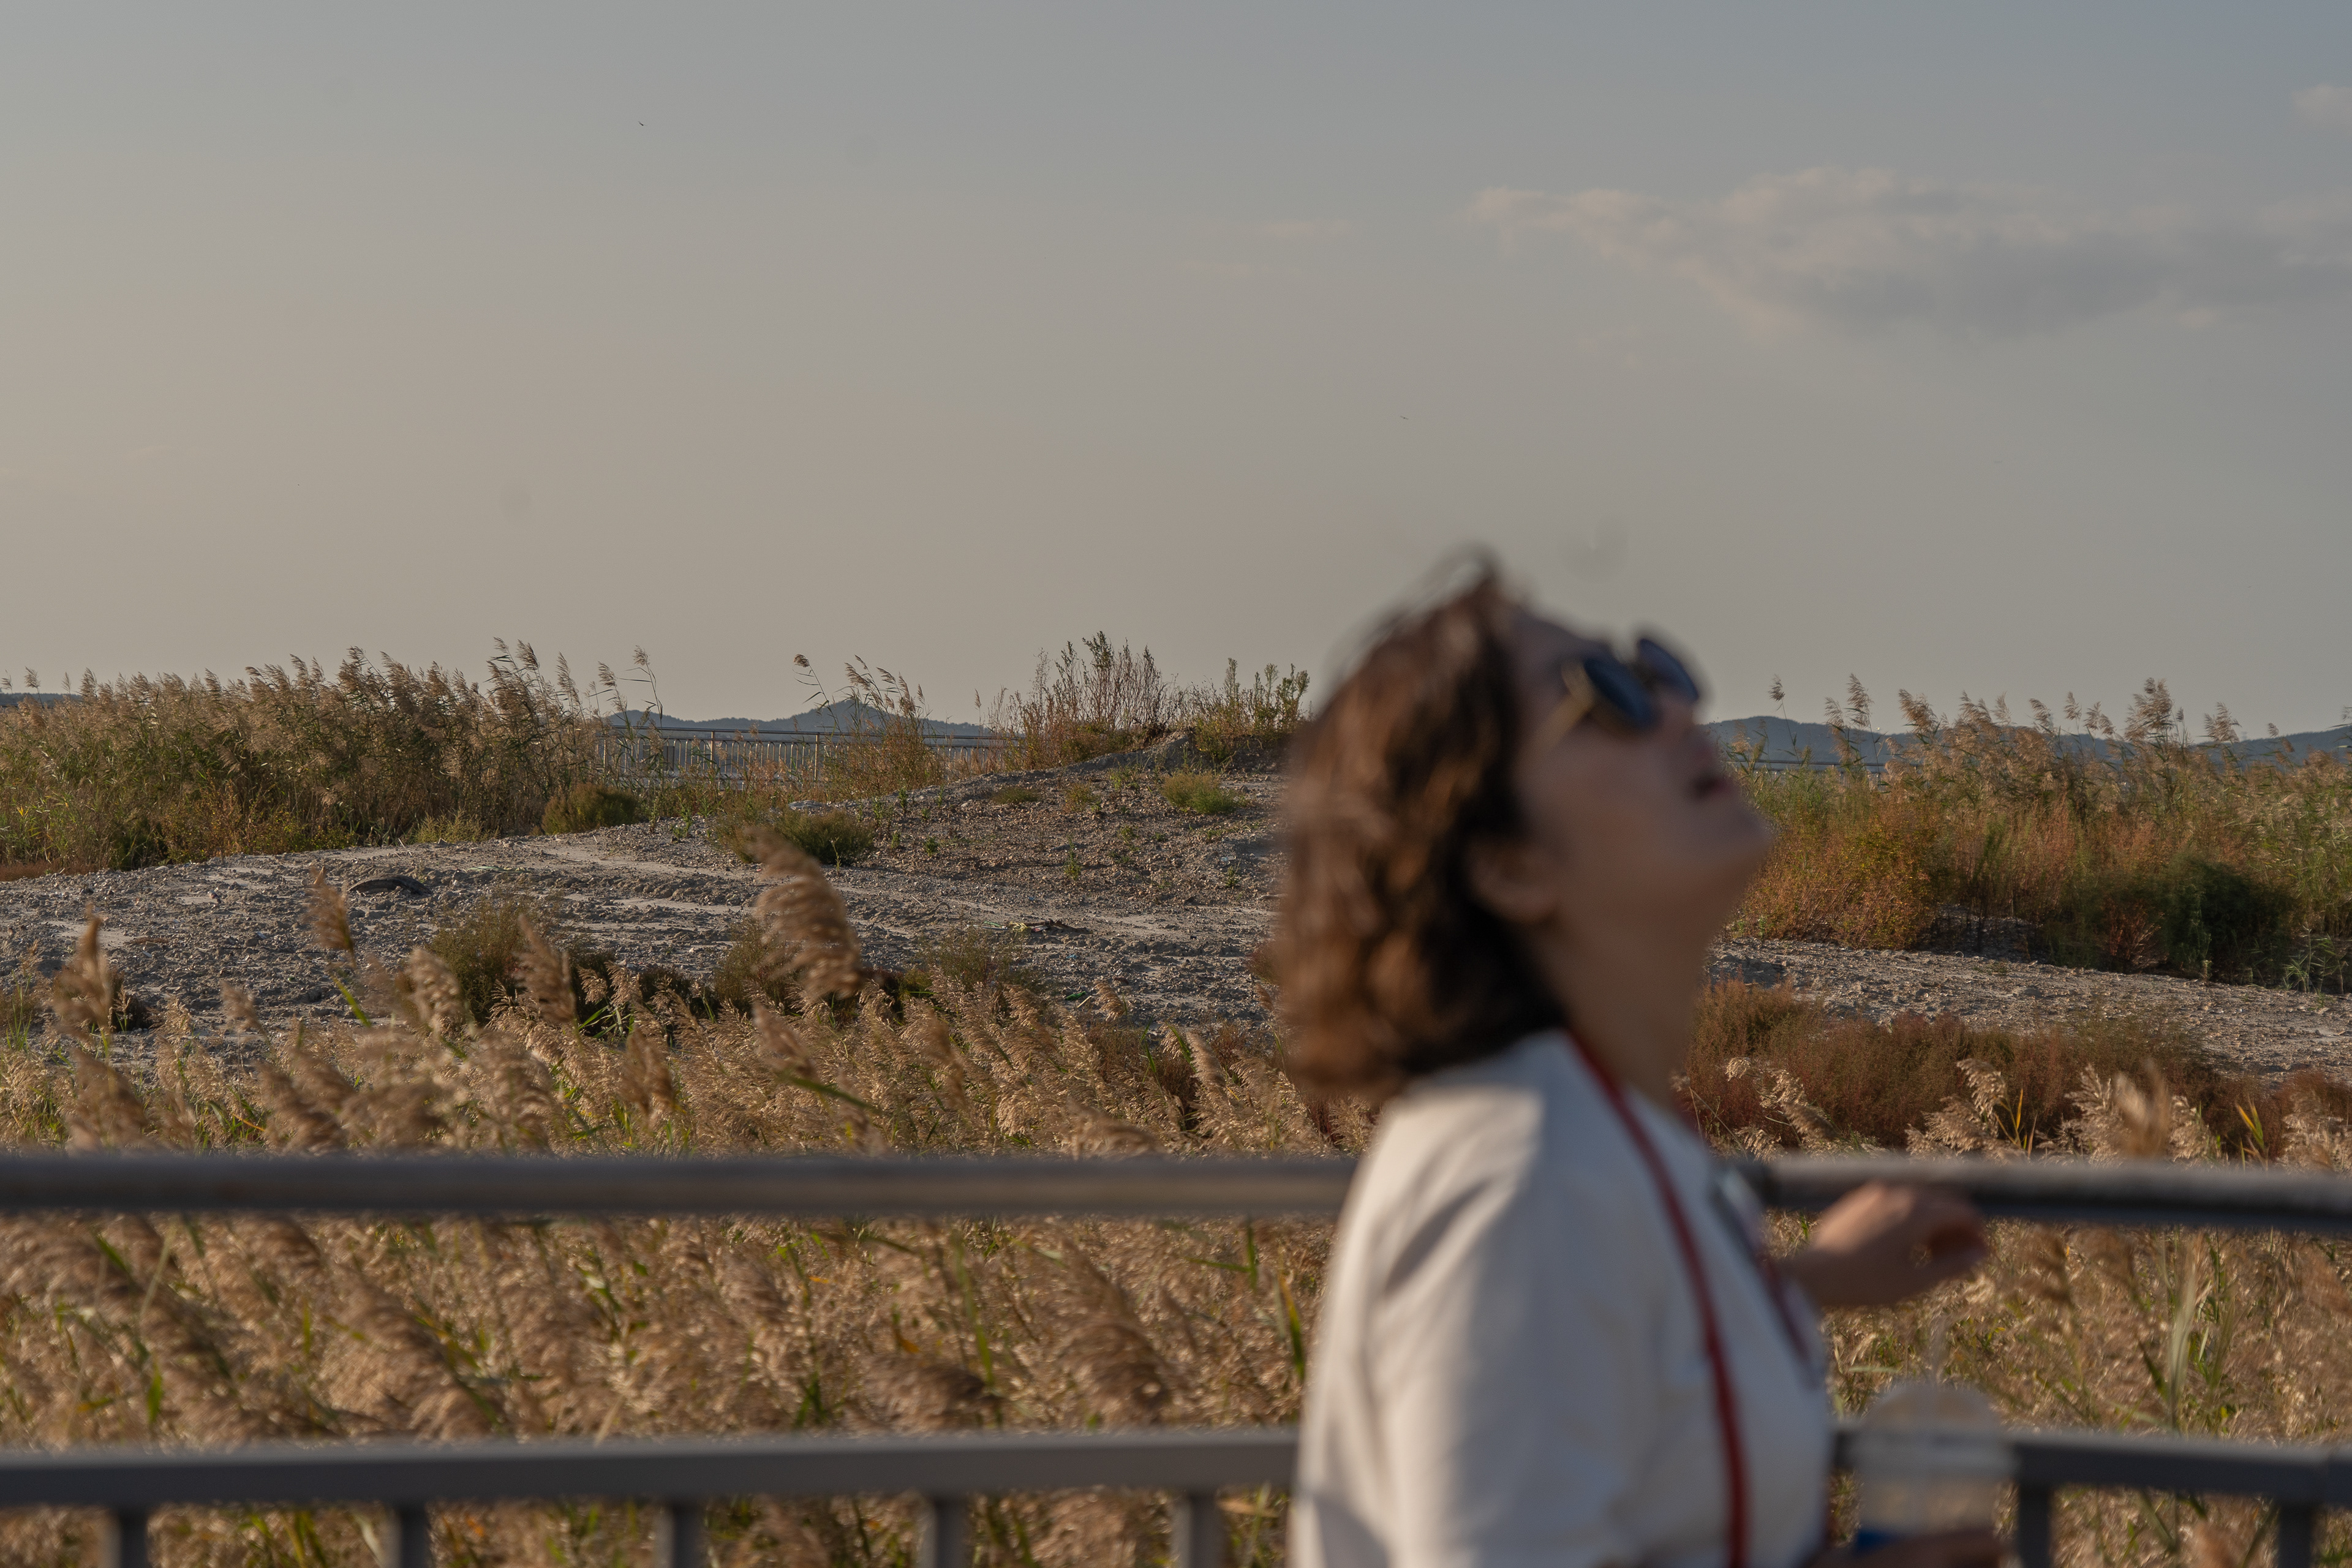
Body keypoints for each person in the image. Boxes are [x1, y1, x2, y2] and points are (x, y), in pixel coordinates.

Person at [1280, 568, 2000, 1568]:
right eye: (1601, 696)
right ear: (1510, 863)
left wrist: (1795, 1288)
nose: (1675, 703)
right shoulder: (1522, 1181)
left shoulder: (1598, 1129)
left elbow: (1614, 1379)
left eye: (1651, 668)